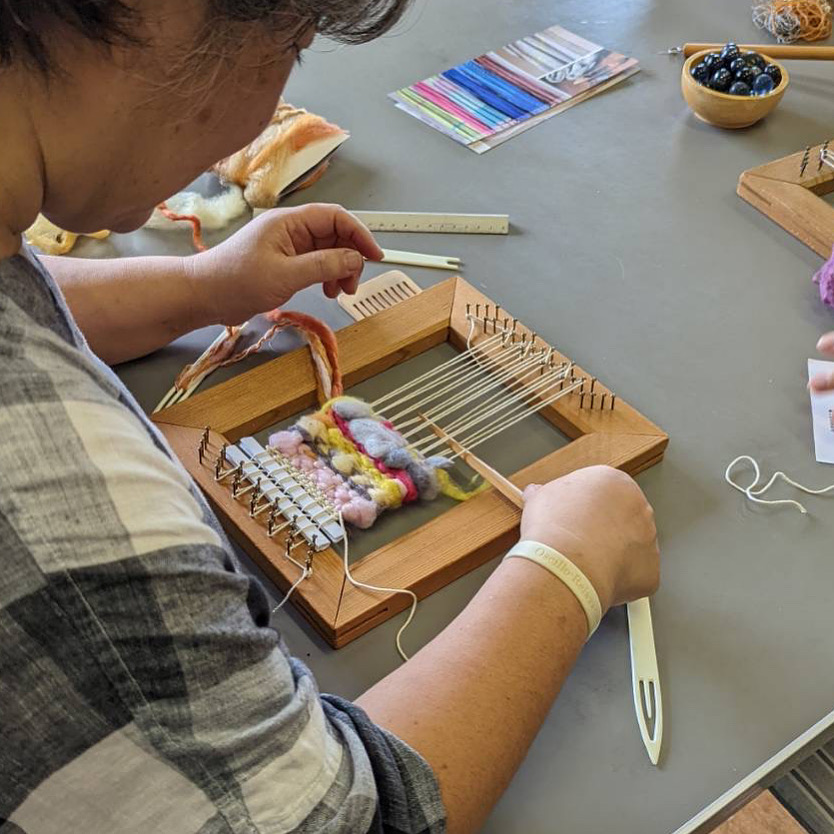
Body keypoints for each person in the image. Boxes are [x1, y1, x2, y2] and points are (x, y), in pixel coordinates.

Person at [0, 3, 661, 833]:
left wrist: (201, 286)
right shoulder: (54, 501)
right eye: (295, 44)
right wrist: (570, 567)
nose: (268, 108)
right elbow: (342, 822)